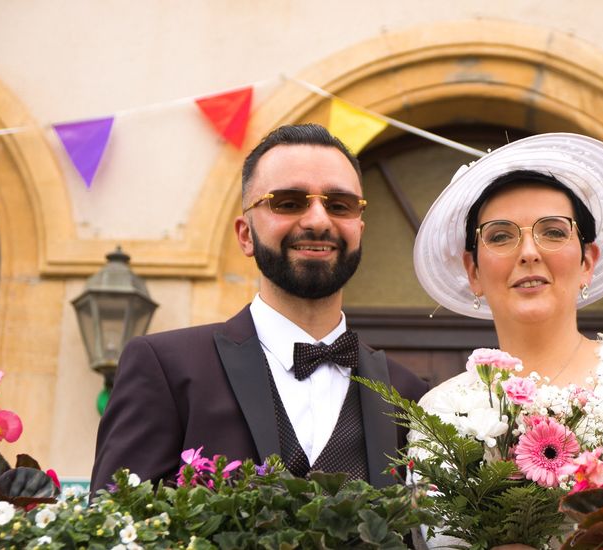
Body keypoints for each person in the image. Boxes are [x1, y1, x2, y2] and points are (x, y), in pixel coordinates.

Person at [411, 133, 603, 548]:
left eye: (553, 232)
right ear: (473, 271)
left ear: (588, 261)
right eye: (500, 236)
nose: (529, 252)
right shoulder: (440, 414)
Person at [90, 124, 428, 494]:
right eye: (288, 202)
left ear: (359, 229)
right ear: (245, 235)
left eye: (339, 205)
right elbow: (111, 526)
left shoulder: (407, 394)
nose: (318, 220)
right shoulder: (165, 368)